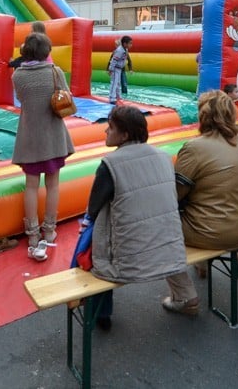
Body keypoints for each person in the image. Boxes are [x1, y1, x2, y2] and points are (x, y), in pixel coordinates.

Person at [85, 106, 187, 331]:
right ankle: (187, 294)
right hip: (169, 250)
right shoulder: (163, 156)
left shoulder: (110, 165)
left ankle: (99, 312)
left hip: (128, 262)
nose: (105, 132)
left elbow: (93, 208)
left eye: (110, 128)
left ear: (125, 135)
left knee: (91, 233)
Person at [170, 90, 238, 312]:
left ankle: (184, 296)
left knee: (158, 225)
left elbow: (175, 195)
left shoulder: (195, 147)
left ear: (203, 116)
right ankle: (205, 262)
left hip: (213, 231)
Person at [11, 31, 75, 261]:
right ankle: (50, 229)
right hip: (53, 136)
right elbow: (66, 96)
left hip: (29, 136)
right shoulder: (55, 72)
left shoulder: (18, 75)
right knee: (53, 184)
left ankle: (32, 236)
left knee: (30, 186)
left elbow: (20, 99)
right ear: (47, 51)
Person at [107, 36, 132, 104]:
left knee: (118, 83)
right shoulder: (119, 50)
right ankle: (112, 98)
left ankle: (118, 96)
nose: (131, 45)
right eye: (130, 43)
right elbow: (113, 60)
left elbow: (127, 59)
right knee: (114, 83)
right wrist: (110, 69)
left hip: (119, 69)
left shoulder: (125, 50)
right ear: (124, 44)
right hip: (115, 69)